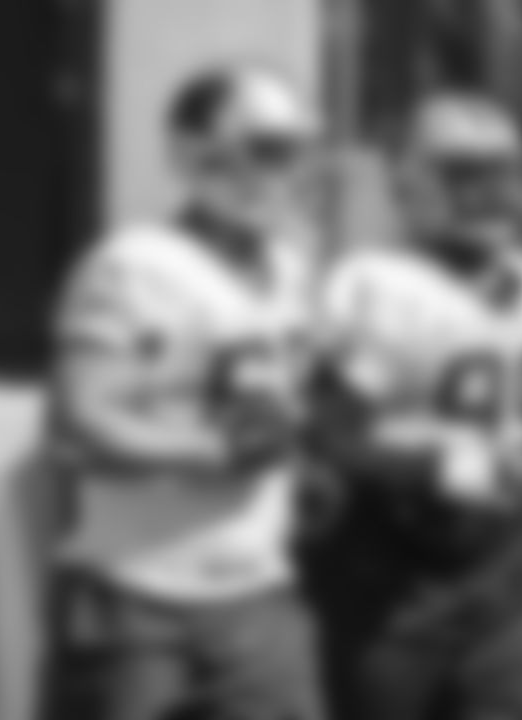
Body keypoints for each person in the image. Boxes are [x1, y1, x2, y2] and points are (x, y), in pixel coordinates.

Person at [30, 63, 327, 720]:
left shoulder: (289, 268)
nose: (283, 173)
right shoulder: (133, 265)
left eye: (294, 152)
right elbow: (79, 421)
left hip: (257, 587)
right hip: (137, 591)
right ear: (198, 154)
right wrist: (208, 452)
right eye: (266, 149)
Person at [300, 92, 522, 720]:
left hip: (509, 584)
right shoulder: (379, 286)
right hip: (392, 590)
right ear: (412, 183)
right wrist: (433, 467)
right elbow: (326, 437)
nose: (491, 193)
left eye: (504, 173)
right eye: (466, 174)